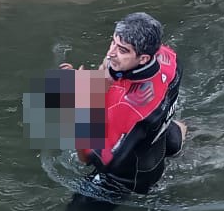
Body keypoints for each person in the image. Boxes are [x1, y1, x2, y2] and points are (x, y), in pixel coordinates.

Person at [67, 11, 186, 198]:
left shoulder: (126, 109)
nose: (110, 53)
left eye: (122, 50)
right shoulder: (169, 58)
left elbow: (85, 159)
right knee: (158, 126)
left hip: (130, 180)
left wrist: (83, 104)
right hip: (158, 140)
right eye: (113, 42)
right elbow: (110, 72)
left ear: (143, 58)